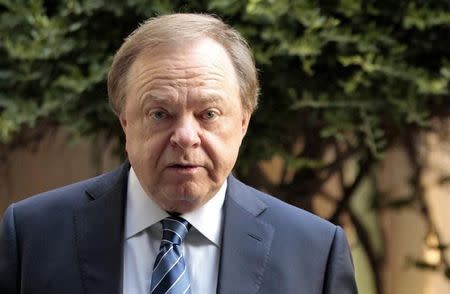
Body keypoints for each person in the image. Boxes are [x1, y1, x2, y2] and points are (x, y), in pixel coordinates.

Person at [0, 13, 357, 294]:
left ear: (244, 122)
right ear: (126, 121)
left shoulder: (314, 252)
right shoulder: (33, 236)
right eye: (160, 114)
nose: (186, 137)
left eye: (209, 114)